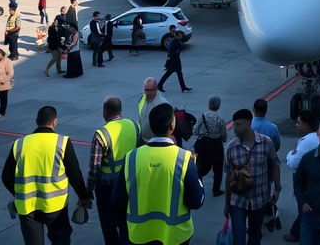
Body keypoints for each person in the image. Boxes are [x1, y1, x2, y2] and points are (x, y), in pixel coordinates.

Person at [113, 103, 204, 245]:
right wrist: (198, 177)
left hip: (138, 235)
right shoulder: (184, 158)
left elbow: (118, 200)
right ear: (172, 127)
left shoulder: (131, 157)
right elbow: (196, 201)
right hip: (176, 236)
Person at [1, 105, 92, 245]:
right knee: (60, 239)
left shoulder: (20, 144)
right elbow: (75, 174)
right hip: (55, 206)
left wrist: (20, 193)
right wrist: (84, 196)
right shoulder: (62, 143)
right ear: (54, 121)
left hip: (27, 207)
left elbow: (6, 177)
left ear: (36, 121)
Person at [87, 97, 140, 245]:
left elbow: (94, 168)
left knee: (109, 225)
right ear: (120, 111)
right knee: (126, 223)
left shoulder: (101, 134)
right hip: (130, 182)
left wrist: (88, 190)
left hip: (107, 188)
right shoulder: (134, 125)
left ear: (105, 112)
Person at [224, 108, 281, 245]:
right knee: (239, 237)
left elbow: (275, 165)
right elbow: (228, 175)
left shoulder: (266, 143)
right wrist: (227, 203)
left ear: (249, 123)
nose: (234, 128)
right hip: (238, 201)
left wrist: (277, 189)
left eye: (238, 124)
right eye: (234, 124)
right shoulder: (231, 147)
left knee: (255, 235)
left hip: (259, 199)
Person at [283, 110, 319, 242]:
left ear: (307, 125)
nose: (296, 126)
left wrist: (289, 154)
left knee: (303, 208)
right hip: (311, 178)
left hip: (303, 180)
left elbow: (293, 163)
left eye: (299, 123)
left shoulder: (306, 142)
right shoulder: (315, 138)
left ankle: (296, 233)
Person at [193, 95, 227, 197]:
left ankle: (198, 186)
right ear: (218, 106)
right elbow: (224, 135)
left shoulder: (202, 116)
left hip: (202, 144)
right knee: (218, 168)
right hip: (216, 145)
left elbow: (194, 131)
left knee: (201, 166)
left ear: (208, 105)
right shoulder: (220, 119)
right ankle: (216, 190)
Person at [157, 26, 192, 92]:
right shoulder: (175, 41)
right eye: (180, 35)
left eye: (181, 35)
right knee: (169, 73)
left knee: (179, 74)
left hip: (175, 60)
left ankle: (183, 87)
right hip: (174, 61)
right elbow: (171, 51)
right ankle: (159, 85)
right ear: (177, 35)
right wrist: (177, 52)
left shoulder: (177, 41)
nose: (181, 36)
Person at [138, 77, 170, 143]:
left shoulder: (162, 104)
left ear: (156, 89)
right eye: (146, 90)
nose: (148, 92)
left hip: (155, 141)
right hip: (142, 139)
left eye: (151, 90)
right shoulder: (142, 99)